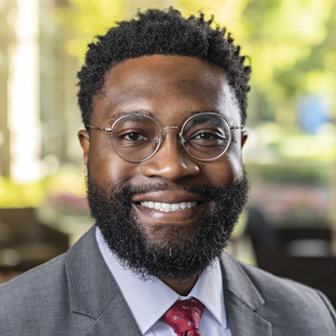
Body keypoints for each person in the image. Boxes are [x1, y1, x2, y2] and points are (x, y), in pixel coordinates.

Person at [0, 8, 335, 336]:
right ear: (88, 151)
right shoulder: (12, 322)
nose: (172, 166)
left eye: (205, 135)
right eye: (133, 135)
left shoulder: (312, 318)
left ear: (239, 148)